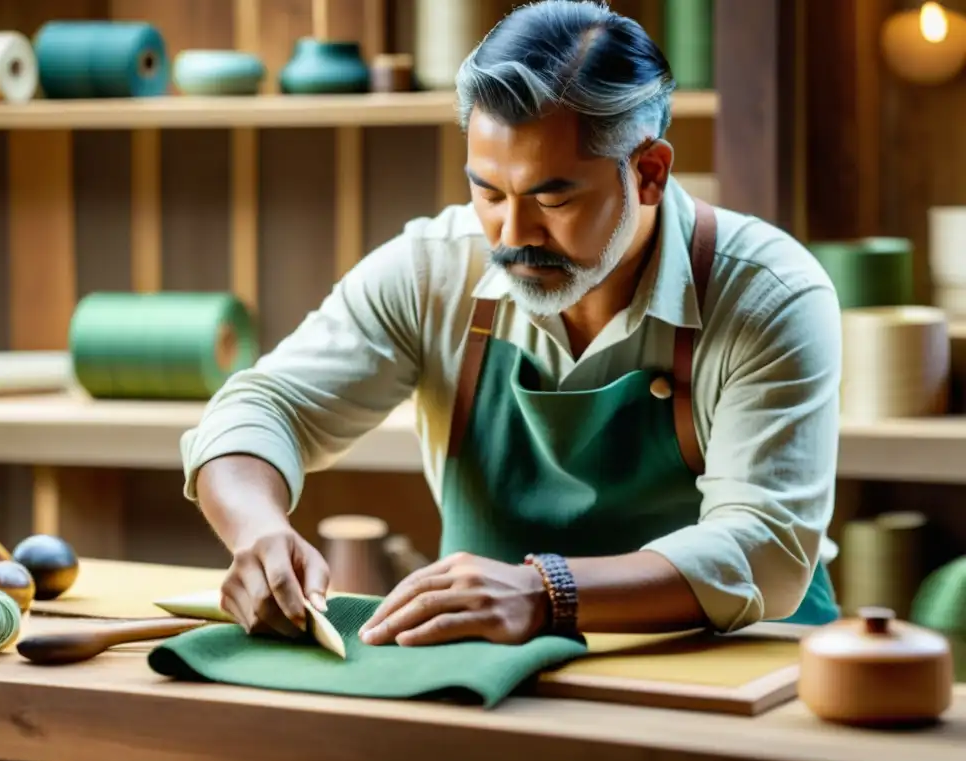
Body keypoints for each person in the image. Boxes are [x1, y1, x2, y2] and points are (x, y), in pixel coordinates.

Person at [180, 0, 843, 647]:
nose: (513, 233)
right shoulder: (434, 269)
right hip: (503, 674)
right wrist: (256, 530)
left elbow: (765, 546)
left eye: (552, 196)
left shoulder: (768, 294)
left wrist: (546, 592)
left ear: (648, 172)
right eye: (489, 192)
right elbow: (264, 406)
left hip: (740, 671)